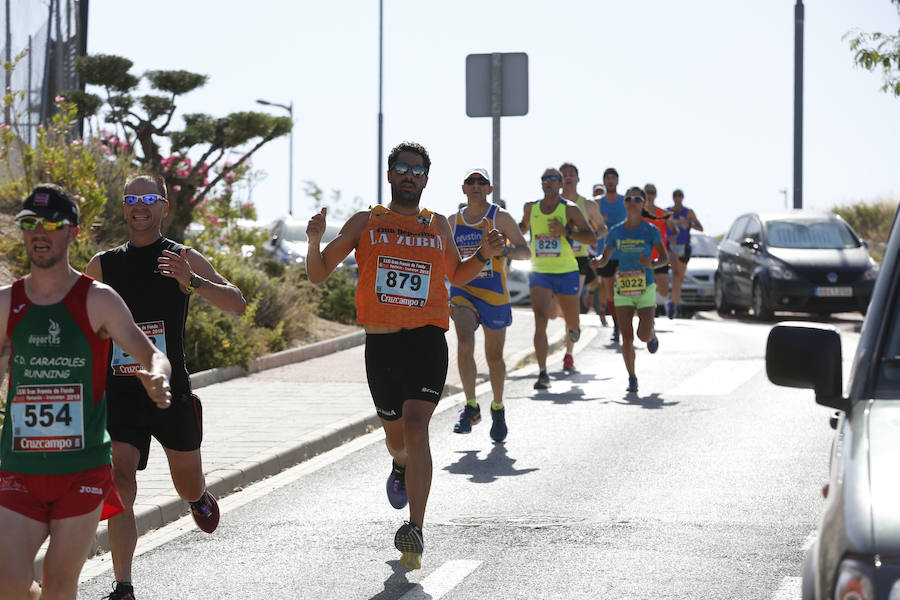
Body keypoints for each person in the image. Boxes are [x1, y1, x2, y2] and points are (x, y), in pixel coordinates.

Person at [305, 142, 506, 570]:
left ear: (426, 179)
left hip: (426, 340)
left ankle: (415, 527)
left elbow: (458, 273)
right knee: (397, 437)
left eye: (417, 170)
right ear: (390, 174)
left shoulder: (437, 226)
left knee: (417, 428)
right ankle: (399, 465)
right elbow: (319, 273)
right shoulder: (366, 221)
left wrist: (484, 255)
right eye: (402, 168)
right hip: (381, 347)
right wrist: (314, 241)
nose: (409, 175)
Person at [0, 184, 172, 600]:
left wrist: (157, 376)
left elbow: (151, 355)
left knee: (60, 584)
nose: (40, 232)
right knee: (10, 587)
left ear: (72, 232)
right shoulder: (7, 303)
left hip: (82, 471)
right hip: (18, 468)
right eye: (30, 224)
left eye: (53, 224)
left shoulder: (97, 300)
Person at [85, 172, 247, 600]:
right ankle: (123, 585)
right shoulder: (103, 265)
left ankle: (197, 498)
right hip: (119, 392)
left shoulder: (182, 256)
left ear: (163, 206)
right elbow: (83, 323)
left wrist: (192, 282)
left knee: (186, 485)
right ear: (124, 207)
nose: (139, 205)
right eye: (131, 198)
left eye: (149, 198)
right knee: (120, 482)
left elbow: (238, 303)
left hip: (170, 392)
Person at [449, 168, 530, 441]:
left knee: (494, 359)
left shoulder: (501, 217)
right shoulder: (453, 221)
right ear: (463, 189)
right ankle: (471, 406)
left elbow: (525, 250)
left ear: (489, 188)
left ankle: (497, 407)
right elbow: (442, 258)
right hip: (464, 291)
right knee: (464, 344)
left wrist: (503, 249)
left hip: (494, 294)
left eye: (480, 182)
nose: (475, 186)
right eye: (470, 182)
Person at [518, 167, 595, 390]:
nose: (548, 182)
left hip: (566, 271)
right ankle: (543, 373)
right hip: (540, 271)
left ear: (560, 183)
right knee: (540, 318)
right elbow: (523, 227)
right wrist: (509, 233)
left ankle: (574, 328)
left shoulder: (569, 209)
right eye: (544, 178)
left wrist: (567, 232)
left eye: (552, 178)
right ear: (541, 183)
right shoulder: (531, 208)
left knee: (572, 321)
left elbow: (590, 237)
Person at [592, 187, 668, 393]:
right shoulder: (616, 231)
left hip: (645, 288)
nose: (632, 202)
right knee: (627, 336)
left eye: (637, 199)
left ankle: (651, 335)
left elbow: (664, 258)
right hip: (623, 289)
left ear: (643, 203)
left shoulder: (650, 230)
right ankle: (632, 377)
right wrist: (597, 262)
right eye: (629, 199)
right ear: (624, 203)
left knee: (642, 334)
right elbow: (605, 257)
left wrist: (651, 263)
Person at [558, 163, 606, 372]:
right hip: (552, 260)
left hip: (577, 259)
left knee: (572, 303)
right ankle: (571, 325)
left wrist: (589, 238)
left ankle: (569, 354)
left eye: (571, 175)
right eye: (564, 175)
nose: (567, 178)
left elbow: (602, 229)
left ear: (578, 179)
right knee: (555, 309)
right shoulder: (550, 204)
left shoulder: (588, 205)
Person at [595, 168, 627, 343]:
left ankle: (626, 323)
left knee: (625, 289)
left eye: (613, 178)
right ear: (604, 181)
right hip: (605, 253)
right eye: (607, 178)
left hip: (623, 253)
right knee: (609, 292)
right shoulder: (598, 204)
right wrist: (600, 224)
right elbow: (591, 227)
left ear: (617, 180)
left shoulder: (624, 201)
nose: (610, 181)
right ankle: (616, 326)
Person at [666, 188, 704, 319]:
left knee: (679, 278)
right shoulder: (667, 212)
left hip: (684, 247)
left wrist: (690, 224)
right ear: (672, 198)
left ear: (682, 197)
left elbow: (700, 227)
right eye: (675, 195)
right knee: (675, 275)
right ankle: (673, 304)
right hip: (671, 247)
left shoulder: (688, 212)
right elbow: (660, 227)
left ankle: (675, 303)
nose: (677, 198)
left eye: (679, 195)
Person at [641, 184, 673, 315]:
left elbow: (674, 231)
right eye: (647, 192)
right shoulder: (639, 213)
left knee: (664, 290)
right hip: (643, 257)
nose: (650, 195)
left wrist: (670, 220)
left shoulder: (662, 213)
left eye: (652, 192)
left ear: (656, 194)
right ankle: (649, 313)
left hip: (660, 256)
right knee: (644, 289)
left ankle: (658, 305)